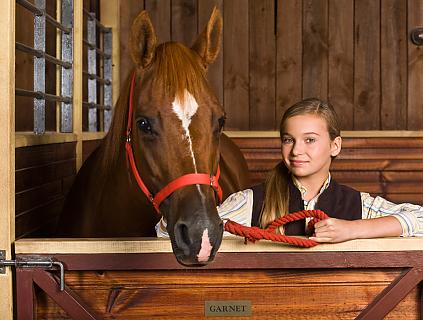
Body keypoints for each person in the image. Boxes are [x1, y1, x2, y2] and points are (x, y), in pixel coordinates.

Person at [156, 98, 423, 241]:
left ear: (335, 145)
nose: (296, 151)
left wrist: (352, 229)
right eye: (288, 140)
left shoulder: (357, 205)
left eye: (309, 140)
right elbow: (170, 232)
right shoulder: (250, 202)